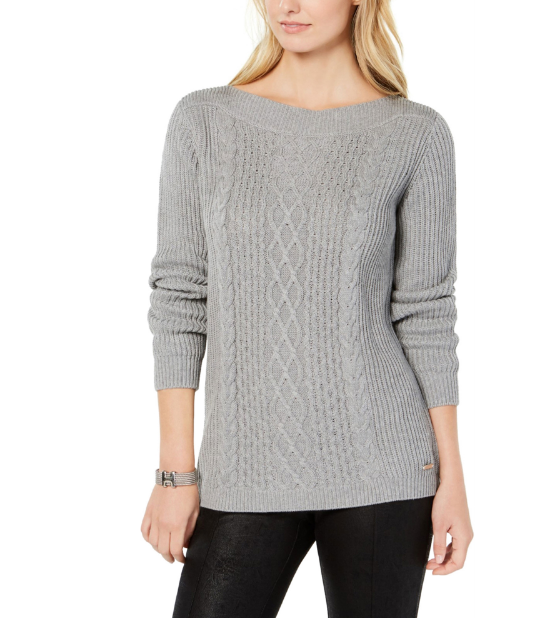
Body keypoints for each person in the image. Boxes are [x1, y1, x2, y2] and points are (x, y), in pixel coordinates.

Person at [141, 1, 473, 616]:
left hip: (384, 466)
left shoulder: (415, 133)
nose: (287, 5)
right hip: (243, 468)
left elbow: (426, 312)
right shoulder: (203, 121)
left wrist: (452, 478)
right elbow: (180, 298)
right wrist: (175, 475)